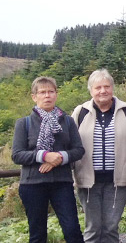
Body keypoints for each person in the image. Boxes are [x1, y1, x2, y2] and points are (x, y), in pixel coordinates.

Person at [71, 69, 126, 243]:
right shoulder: (80, 112)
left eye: (106, 86)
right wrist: (69, 176)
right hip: (88, 180)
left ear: (113, 88)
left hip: (117, 181)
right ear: (91, 90)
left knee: (111, 227)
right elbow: (70, 146)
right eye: (98, 87)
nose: (102, 91)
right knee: (93, 228)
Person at [12, 77, 85, 243]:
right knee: (37, 234)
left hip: (62, 182)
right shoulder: (24, 123)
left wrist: (58, 157)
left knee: (72, 230)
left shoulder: (67, 121)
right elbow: (17, 154)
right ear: (34, 97)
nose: (47, 96)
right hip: (32, 184)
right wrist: (44, 155)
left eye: (51, 91)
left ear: (56, 94)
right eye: (42, 92)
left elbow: (79, 150)